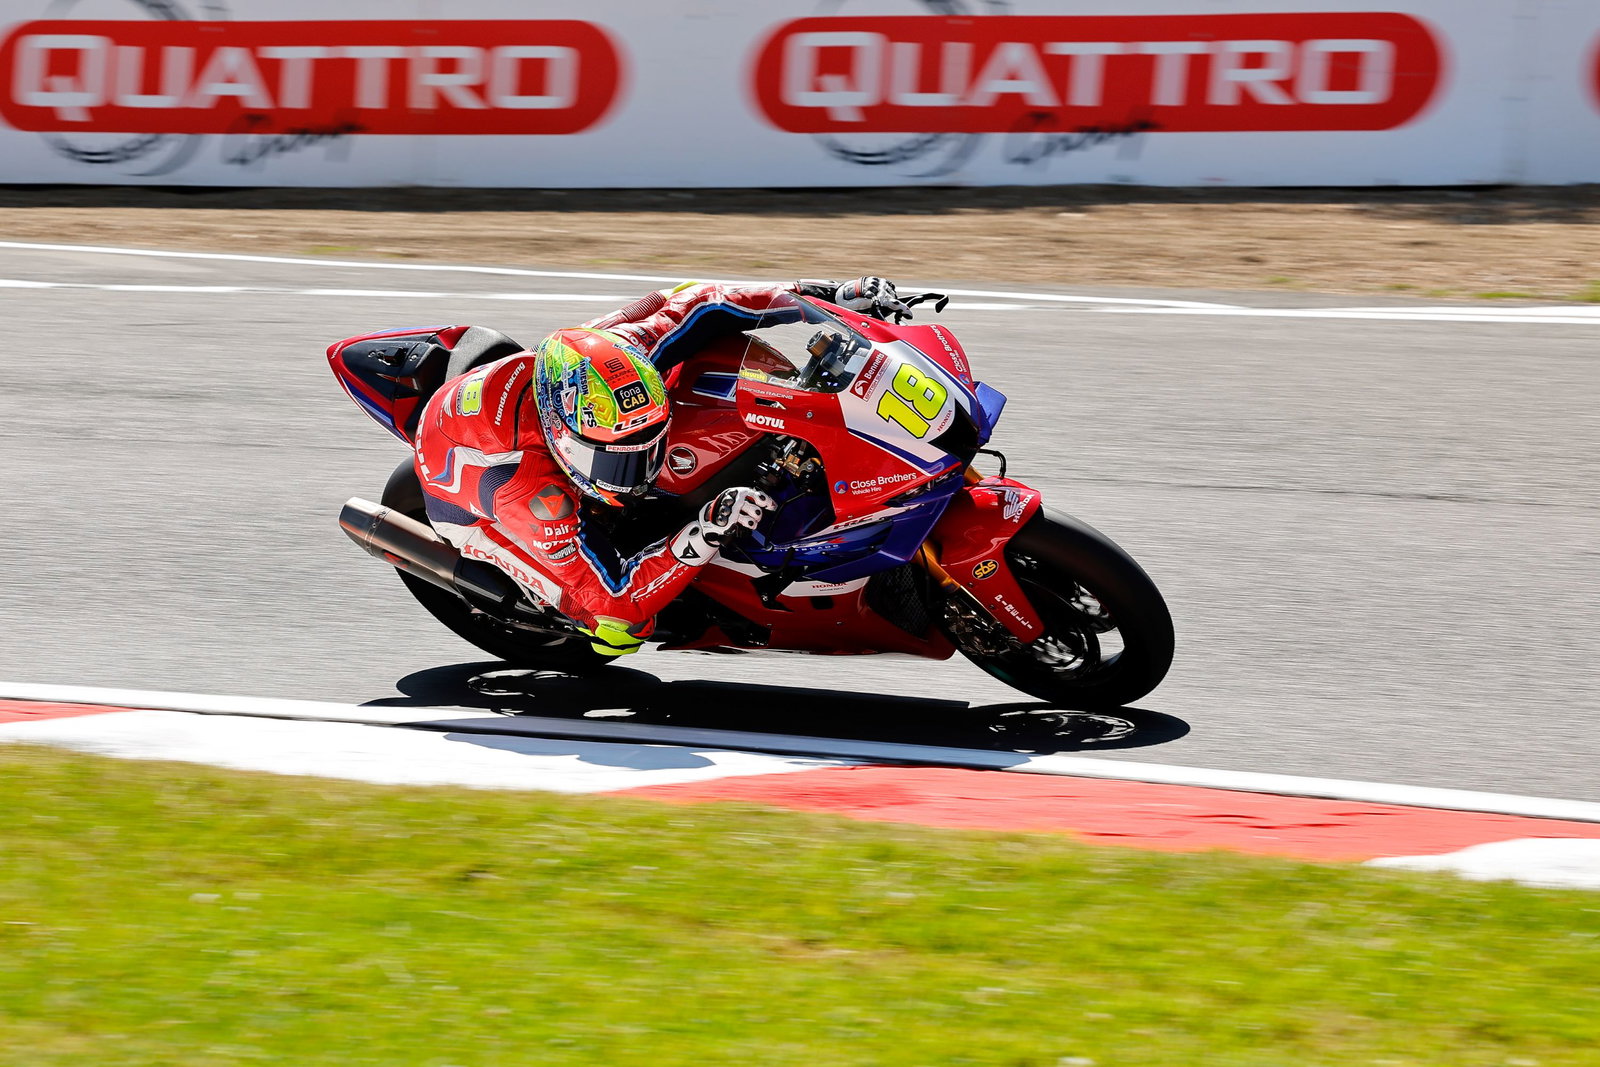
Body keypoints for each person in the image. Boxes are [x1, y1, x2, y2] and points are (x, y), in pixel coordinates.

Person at [412, 276, 909, 658]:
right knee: (615, 632)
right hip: (467, 492)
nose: (638, 470)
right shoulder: (527, 489)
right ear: (562, 435)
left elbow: (703, 301)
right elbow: (614, 600)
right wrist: (703, 531)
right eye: (617, 459)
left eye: (646, 447)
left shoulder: (625, 350)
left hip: (539, 390)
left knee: (702, 343)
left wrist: (819, 295)